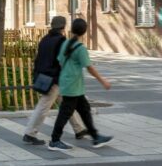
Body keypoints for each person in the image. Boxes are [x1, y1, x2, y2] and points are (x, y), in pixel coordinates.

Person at [48, 18, 113, 151]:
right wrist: (103, 81)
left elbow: (60, 61)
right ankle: (54, 140)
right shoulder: (80, 48)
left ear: (72, 29)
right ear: (84, 31)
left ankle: (95, 137)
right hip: (73, 87)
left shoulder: (65, 43)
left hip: (69, 84)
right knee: (65, 114)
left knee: (85, 110)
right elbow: (89, 68)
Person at [22, 16, 87, 145]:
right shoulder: (62, 41)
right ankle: (29, 133)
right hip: (54, 79)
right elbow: (63, 61)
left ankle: (79, 129)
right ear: (63, 27)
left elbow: (39, 59)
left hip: (44, 77)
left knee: (68, 103)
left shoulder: (45, 39)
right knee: (44, 106)